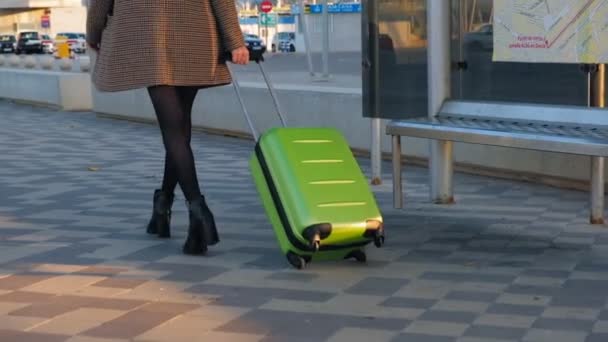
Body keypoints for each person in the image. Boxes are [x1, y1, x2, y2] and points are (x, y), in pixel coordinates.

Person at [86, 0, 249, 255]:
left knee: (174, 132)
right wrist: (235, 41)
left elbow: (99, 4)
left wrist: (94, 33)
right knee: (179, 129)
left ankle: (197, 211)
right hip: (194, 35)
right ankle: (164, 207)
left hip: (149, 36)